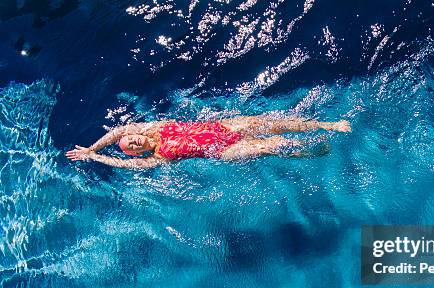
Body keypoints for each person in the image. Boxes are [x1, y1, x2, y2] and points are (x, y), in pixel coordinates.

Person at [65, 115, 351, 169]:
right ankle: (310, 153)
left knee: (271, 122)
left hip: (223, 127)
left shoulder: (155, 129)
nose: (136, 139)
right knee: (271, 145)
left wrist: (91, 147)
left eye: (133, 137)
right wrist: (97, 158)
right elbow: (124, 164)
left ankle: (330, 125)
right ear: (137, 152)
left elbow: (117, 132)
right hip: (224, 150)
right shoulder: (156, 156)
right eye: (134, 145)